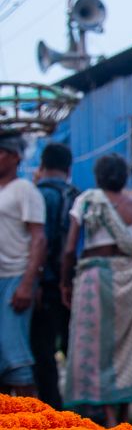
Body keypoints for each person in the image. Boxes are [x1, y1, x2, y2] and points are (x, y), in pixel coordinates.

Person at [62, 154, 132, 426]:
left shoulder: (87, 201)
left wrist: (65, 283)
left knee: (94, 345)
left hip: (94, 277)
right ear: (125, 177)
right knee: (129, 345)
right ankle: (126, 413)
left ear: (97, 177)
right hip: (130, 277)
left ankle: (107, 414)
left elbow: (70, 248)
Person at [30, 143, 79, 408]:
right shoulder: (78, 196)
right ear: (69, 168)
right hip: (77, 284)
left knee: (43, 349)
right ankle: (82, 406)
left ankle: (53, 409)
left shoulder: (38, 196)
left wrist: (35, 280)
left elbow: (40, 242)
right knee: (74, 346)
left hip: (46, 283)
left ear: (42, 166)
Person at [0, 132, 46, 397]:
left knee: (15, 356)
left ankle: (34, 427)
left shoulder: (25, 190)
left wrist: (28, 283)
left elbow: (39, 239)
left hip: (16, 276)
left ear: (15, 157)